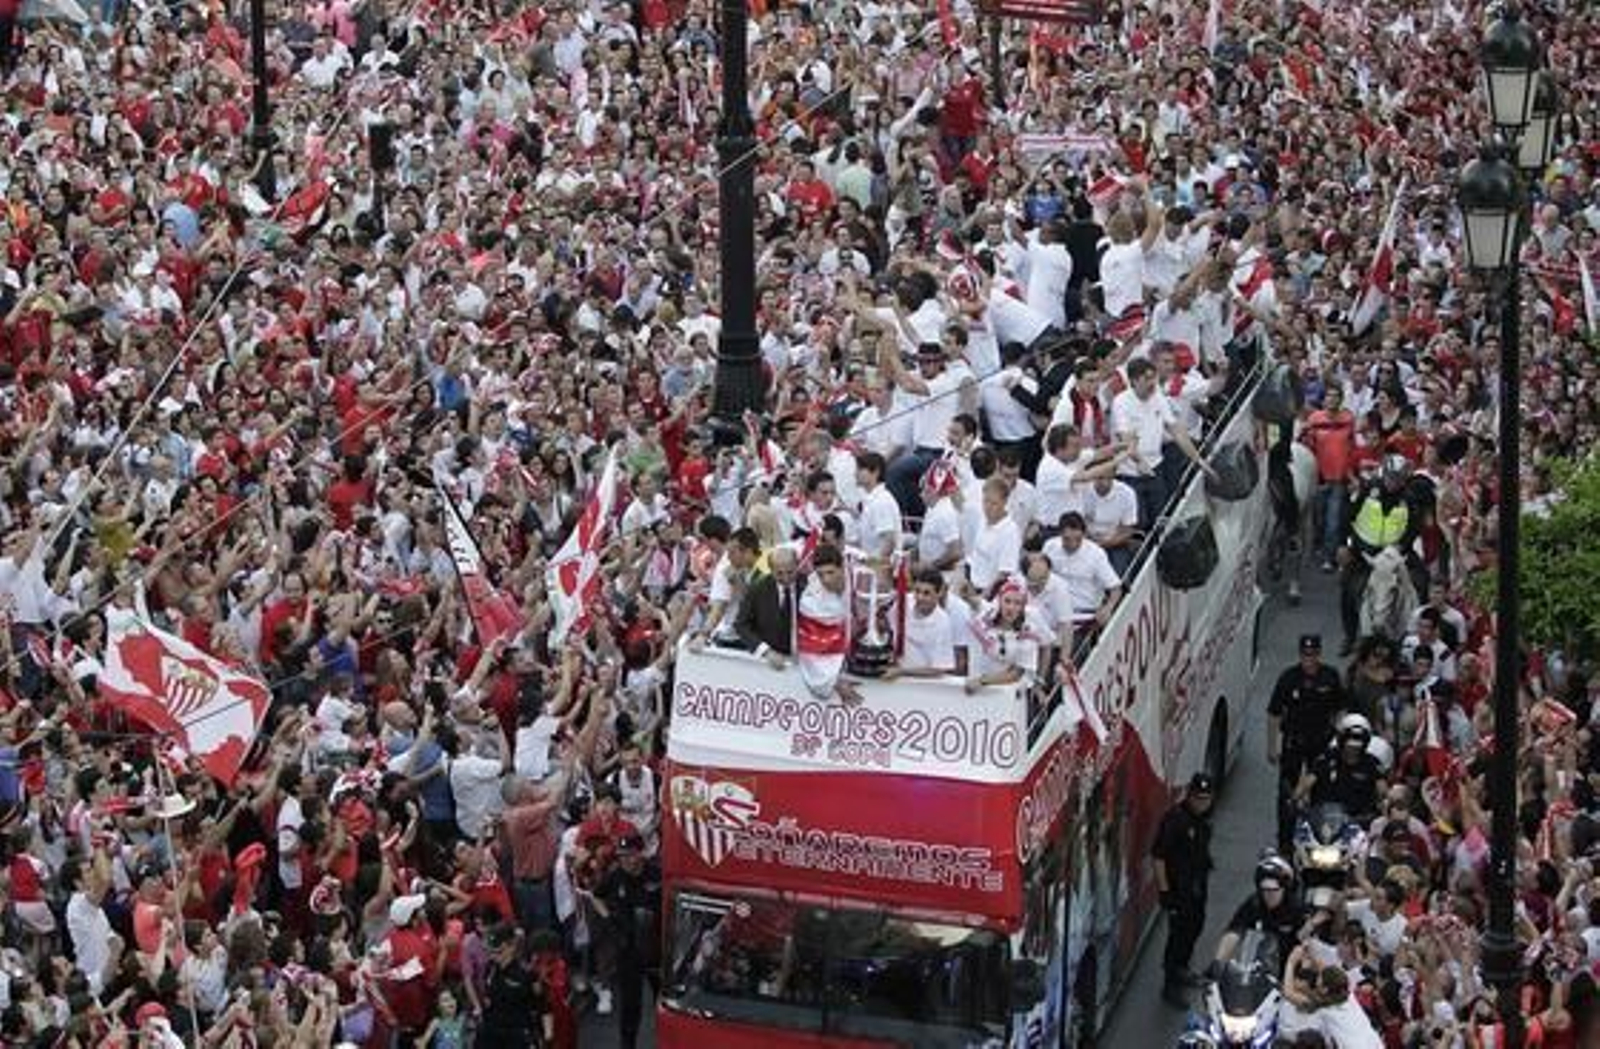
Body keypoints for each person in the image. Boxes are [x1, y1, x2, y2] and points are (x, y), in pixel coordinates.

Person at [1339, 455, 1429, 653]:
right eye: (1390, 477)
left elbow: (1414, 528)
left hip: (1395, 552)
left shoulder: (1410, 499)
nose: (1392, 482)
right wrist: (1344, 544)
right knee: (1347, 586)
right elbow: (1347, 515)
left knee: (1422, 579)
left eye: (1397, 479)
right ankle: (1350, 635)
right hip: (1364, 551)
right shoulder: (1367, 490)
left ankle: (1417, 632)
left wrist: (1399, 547)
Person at [1267, 635, 1349, 849]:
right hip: (1294, 742)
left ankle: (1319, 837)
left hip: (1321, 741)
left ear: (1319, 654)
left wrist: (1338, 733)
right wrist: (1272, 745)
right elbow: (1274, 713)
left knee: (1321, 790)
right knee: (1287, 792)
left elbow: (1340, 707)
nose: (1309, 660)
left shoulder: (1330, 677)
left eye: (1312, 655)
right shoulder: (1289, 678)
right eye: (1305, 655)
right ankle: (1285, 840)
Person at [591, 832, 662, 1049]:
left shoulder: (656, 874)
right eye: (622, 856)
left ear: (641, 853)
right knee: (631, 1005)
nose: (627, 860)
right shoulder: (615, 876)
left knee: (664, 1002)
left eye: (631, 855)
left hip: (655, 948)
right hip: (627, 948)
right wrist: (607, 916)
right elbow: (595, 895)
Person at [1152, 772, 1216, 1007]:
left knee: (1194, 928)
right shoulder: (1176, 820)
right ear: (1190, 796)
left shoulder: (1202, 819)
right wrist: (1165, 892)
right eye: (1198, 798)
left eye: (1206, 798)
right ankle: (1170, 984)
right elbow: (1158, 857)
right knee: (1177, 937)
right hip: (1179, 891)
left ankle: (1183, 969)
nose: (1202, 803)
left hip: (1197, 887)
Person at [1212, 853, 1306, 976]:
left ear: (1285, 888)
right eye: (1265, 890)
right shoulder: (1254, 904)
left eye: (1274, 890)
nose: (1269, 895)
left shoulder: (1296, 909)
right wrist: (1218, 963)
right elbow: (1234, 932)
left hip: (1288, 972)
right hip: (1256, 969)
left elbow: (1305, 943)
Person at [1297, 714, 1386, 827]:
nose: (1353, 750)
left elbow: (1383, 792)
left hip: (1358, 824)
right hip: (1324, 822)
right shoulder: (1327, 758)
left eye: (1357, 746)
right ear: (1341, 740)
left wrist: (1384, 806)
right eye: (1349, 745)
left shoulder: (1372, 763)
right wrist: (1294, 799)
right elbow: (1308, 782)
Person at [733, 545, 800, 664]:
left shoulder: (808, 586)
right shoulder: (758, 589)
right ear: (771, 570)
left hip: (804, 659)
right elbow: (741, 624)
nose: (786, 578)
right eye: (779, 573)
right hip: (769, 661)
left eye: (790, 572)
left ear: (797, 566)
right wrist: (765, 651)